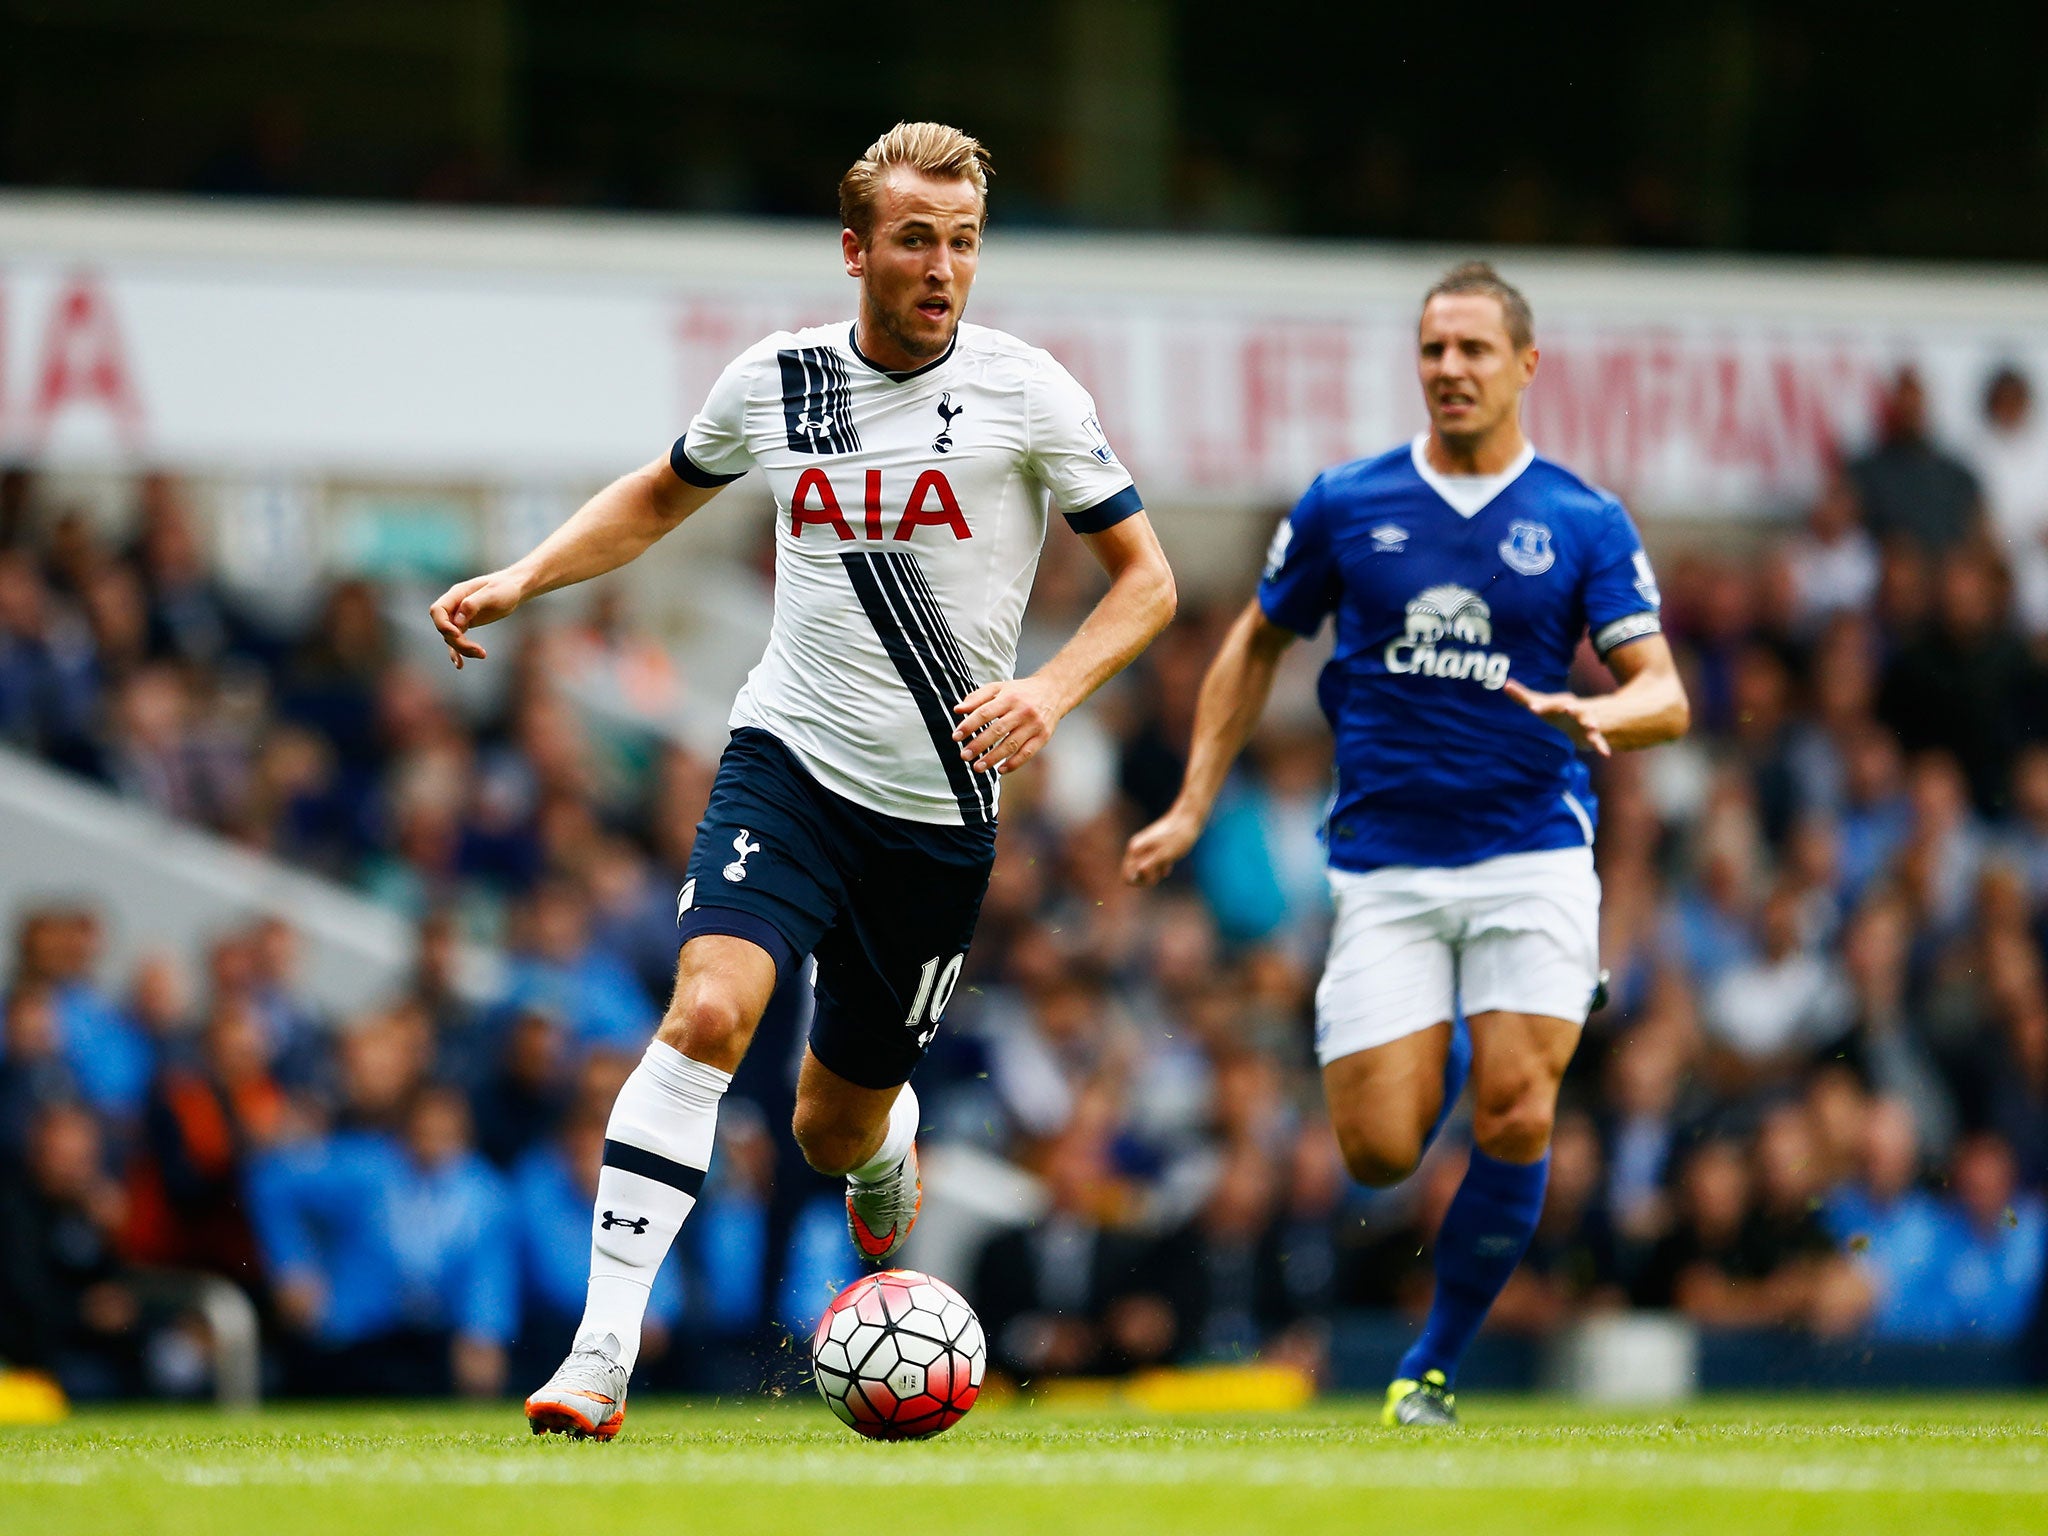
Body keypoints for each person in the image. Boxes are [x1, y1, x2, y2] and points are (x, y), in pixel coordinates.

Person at [429, 121, 1174, 1439]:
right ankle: (600, 1356)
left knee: (833, 1128)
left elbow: (1150, 583)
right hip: (787, 766)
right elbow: (660, 497)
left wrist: (1049, 691)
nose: (942, 267)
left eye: (962, 243)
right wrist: (524, 575)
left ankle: (886, 1138)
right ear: (855, 251)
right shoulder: (776, 384)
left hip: (939, 815)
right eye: (914, 240)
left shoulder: (1028, 395)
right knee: (710, 1014)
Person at [1123, 262, 1689, 1426]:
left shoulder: (1581, 519)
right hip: (1384, 866)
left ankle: (1426, 1367)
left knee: (1520, 1107)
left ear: (1524, 365)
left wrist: (1600, 715)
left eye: (1474, 349)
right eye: (1433, 349)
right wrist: (1190, 802)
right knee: (1380, 1151)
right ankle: (1424, 1076)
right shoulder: (1345, 501)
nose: (1449, 368)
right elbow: (1250, 646)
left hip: (1531, 851)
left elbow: (1664, 697)